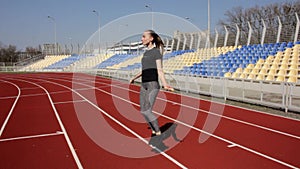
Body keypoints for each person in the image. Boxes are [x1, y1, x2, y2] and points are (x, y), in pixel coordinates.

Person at [129, 30, 174, 139]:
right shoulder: (145, 53)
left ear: (151, 38)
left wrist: (165, 84)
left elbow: (159, 70)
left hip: (152, 84)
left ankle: (158, 131)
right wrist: (134, 77)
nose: (142, 39)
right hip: (143, 84)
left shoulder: (156, 52)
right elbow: (144, 70)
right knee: (143, 111)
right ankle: (154, 129)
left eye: (144, 36)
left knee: (147, 110)